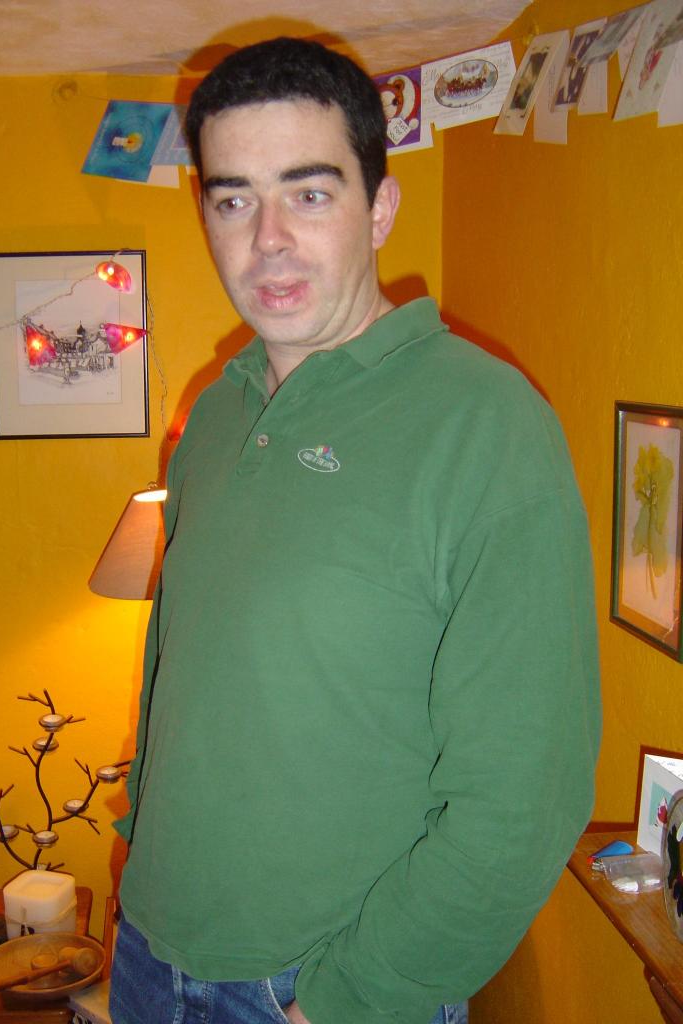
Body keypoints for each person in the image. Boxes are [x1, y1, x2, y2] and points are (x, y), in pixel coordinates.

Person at [109, 36, 601, 1024]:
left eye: (309, 192)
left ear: (379, 208)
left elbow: (524, 803)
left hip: (319, 987)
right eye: (234, 200)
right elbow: (179, 660)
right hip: (148, 953)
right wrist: (135, 844)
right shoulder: (213, 413)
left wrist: (343, 1001)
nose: (268, 240)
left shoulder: (488, 425)